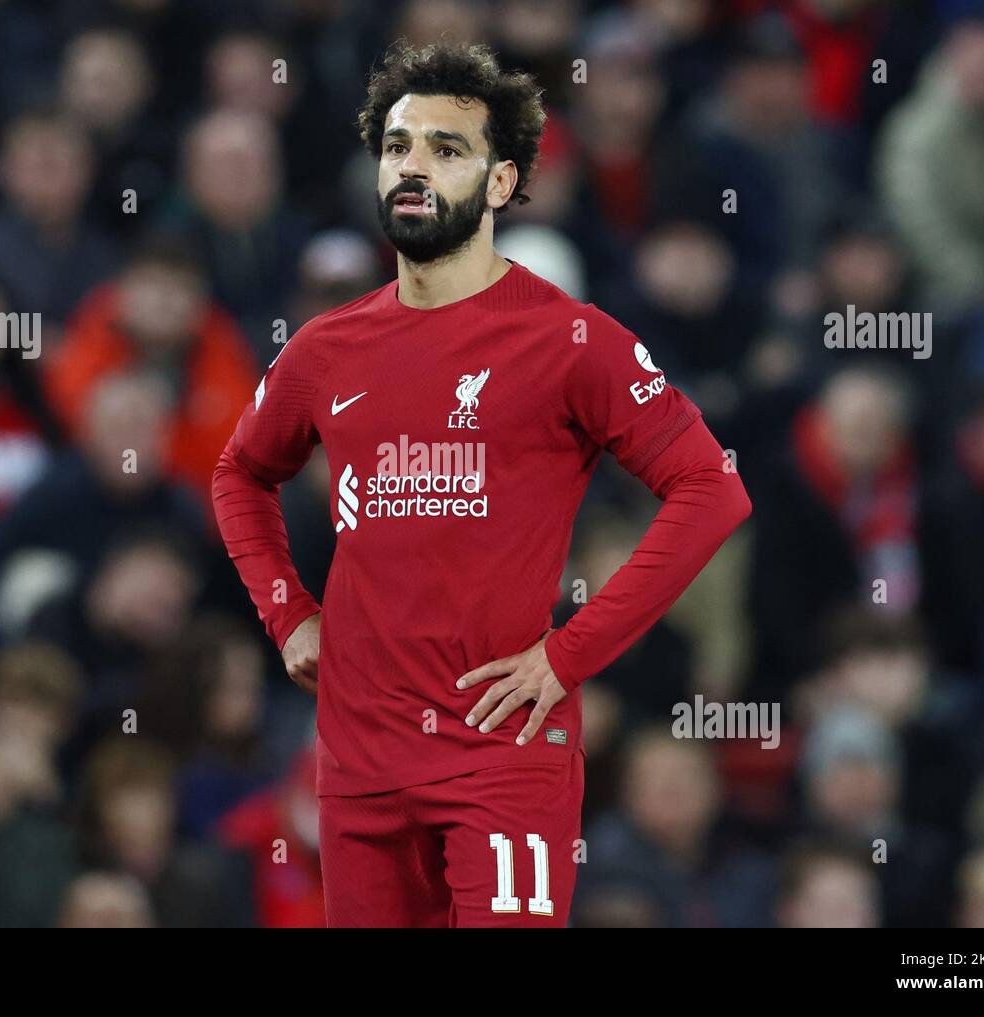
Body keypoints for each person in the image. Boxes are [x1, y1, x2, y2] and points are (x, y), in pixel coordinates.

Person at [211, 41, 751, 928]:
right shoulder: (323, 348)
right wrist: (288, 613)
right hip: (359, 758)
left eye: (445, 149)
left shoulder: (571, 340)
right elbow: (239, 472)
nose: (412, 167)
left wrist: (571, 654)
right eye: (397, 146)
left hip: (504, 756)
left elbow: (712, 488)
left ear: (501, 183)